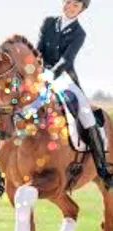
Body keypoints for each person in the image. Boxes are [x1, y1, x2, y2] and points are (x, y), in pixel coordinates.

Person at [37, 0, 113, 189]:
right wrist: (37, 71)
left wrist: (50, 73)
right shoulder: (48, 22)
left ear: (82, 10)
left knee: (87, 116)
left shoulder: (79, 33)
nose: (70, 7)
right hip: (40, 76)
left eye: (76, 6)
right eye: (69, 2)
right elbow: (38, 50)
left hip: (65, 79)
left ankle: (102, 167)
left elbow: (66, 59)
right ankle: (0, 168)